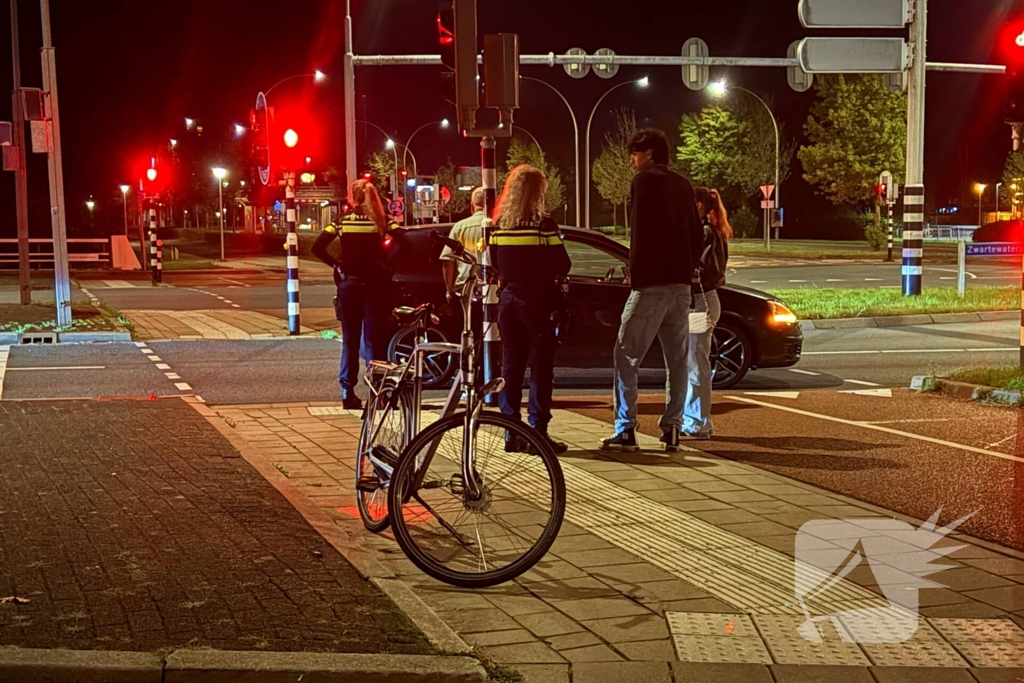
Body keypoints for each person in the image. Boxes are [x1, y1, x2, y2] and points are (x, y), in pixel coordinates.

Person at [600, 129, 704, 453]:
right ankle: (672, 427)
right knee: (677, 359)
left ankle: (626, 428)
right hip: (681, 287)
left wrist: (637, 274)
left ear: (649, 153)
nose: (631, 159)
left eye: (635, 153)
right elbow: (696, 234)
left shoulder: (644, 182)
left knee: (626, 355)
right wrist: (686, 268)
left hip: (651, 286)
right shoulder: (683, 184)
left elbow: (641, 231)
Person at [489, 165, 571, 455]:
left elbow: (495, 263)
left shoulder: (500, 226)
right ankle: (538, 433)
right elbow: (563, 264)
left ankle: (511, 433)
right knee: (541, 368)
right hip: (538, 301)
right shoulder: (544, 225)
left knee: (511, 368)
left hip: (508, 300)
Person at [312, 180, 395, 410]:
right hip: (375, 288)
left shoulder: (342, 222)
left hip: (349, 287)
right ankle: (378, 393)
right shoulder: (381, 222)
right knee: (374, 341)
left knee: (350, 341)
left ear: (352, 197)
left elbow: (317, 247)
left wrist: (337, 265)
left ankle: (347, 392)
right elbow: (405, 241)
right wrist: (387, 267)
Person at [684, 188, 732, 440]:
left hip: (699, 303)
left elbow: (694, 266)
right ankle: (694, 419)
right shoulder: (715, 230)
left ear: (698, 205)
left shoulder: (703, 232)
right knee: (695, 360)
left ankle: (698, 422)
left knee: (695, 361)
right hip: (706, 300)